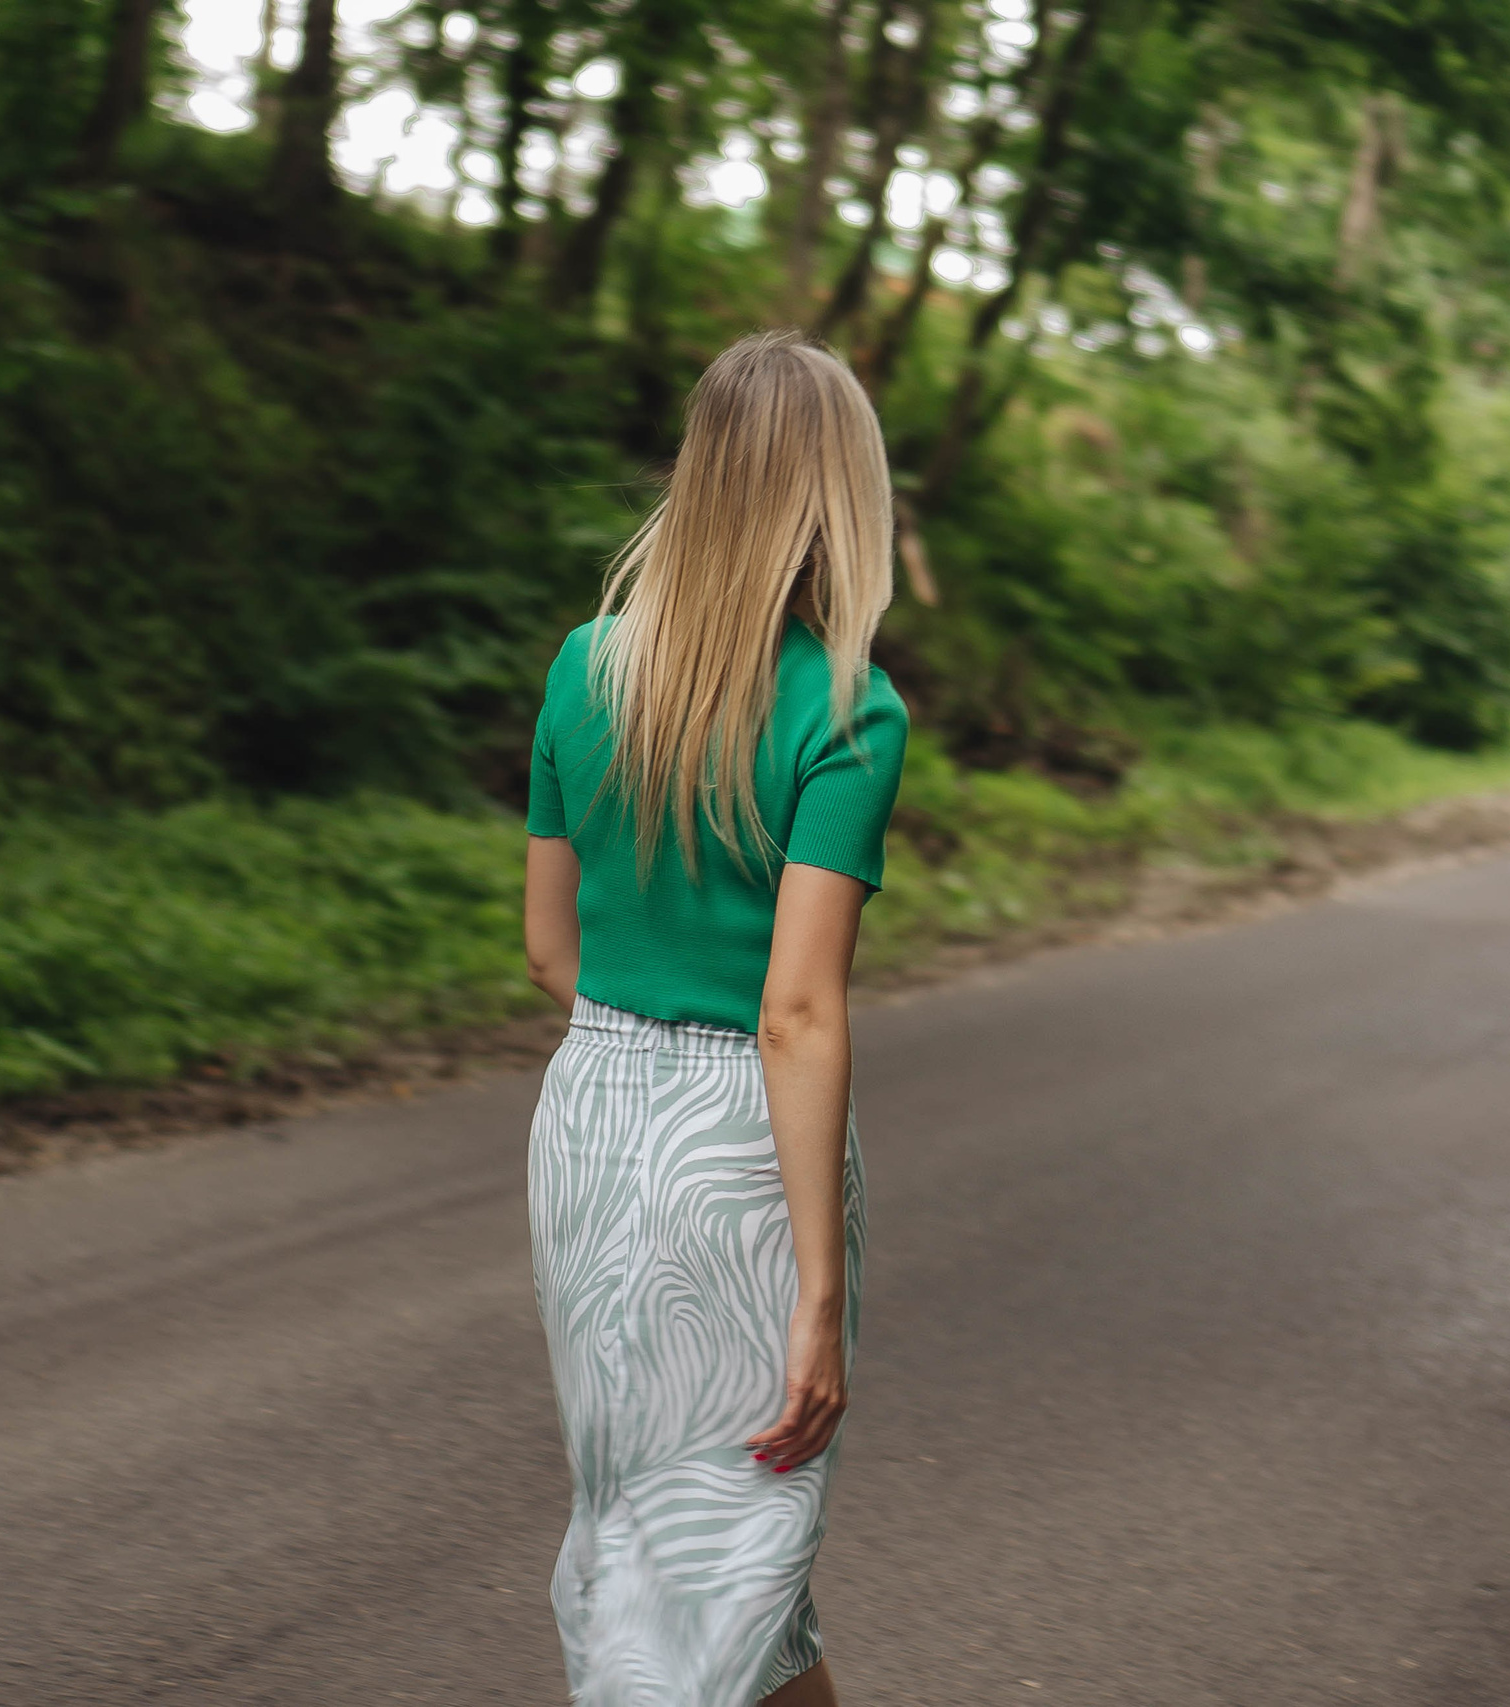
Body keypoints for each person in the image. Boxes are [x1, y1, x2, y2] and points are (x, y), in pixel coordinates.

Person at [520, 329, 909, 1707]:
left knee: (694, 1548)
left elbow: (549, 950)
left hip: (589, 1125)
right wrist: (818, 1297)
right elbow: (795, 1012)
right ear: (838, 494)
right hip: (736, 1148)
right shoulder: (848, 711)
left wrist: (634, 1049)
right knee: (716, 1557)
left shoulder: (583, 666)